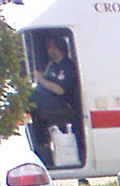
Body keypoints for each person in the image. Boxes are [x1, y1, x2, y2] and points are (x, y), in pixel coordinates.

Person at [28, 36, 81, 169]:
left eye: (50, 47)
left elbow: (59, 90)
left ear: (57, 48)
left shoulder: (67, 66)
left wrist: (41, 80)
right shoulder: (52, 66)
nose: (48, 50)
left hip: (61, 108)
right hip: (45, 108)